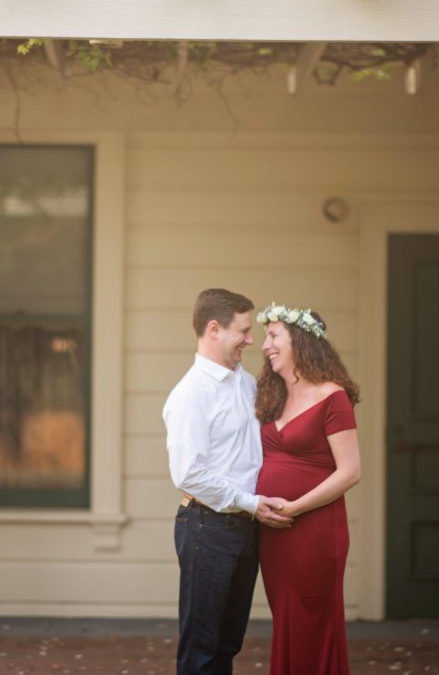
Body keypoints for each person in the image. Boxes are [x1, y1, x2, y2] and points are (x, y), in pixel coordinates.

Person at [163, 288, 293, 675]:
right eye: (244, 330)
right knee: (201, 648)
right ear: (214, 329)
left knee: (228, 643)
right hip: (208, 527)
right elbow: (189, 473)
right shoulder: (191, 394)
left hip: (245, 527)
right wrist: (252, 502)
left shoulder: (244, 383)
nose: (252, 340)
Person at [254, 303, 362, 675]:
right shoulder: (273, 396)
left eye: (273, 336)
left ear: (299, 341)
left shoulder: (334, 397)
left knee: (311, 621)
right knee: (286, 618)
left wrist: (295, 507)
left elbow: (350, 472)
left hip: (314, 530)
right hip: (274, 531)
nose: (265, 345)